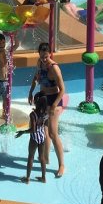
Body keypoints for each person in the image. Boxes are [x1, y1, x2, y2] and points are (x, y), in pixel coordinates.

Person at [28, 42, 66, 178]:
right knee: (44, 130)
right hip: (43, 100)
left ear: (50, 53)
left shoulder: (54, 68)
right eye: (42, 56)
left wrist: (54, 105)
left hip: (54, 99)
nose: (44, 59)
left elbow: (62, 90)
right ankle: (46, 157)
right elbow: (36, 78)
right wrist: (31, 92)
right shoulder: (39, 63)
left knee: (53, 133)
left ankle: (61, 165)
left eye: (46, 56)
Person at [16, 94, 51, 183]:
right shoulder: (46, 114)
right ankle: (43, 178)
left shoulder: (33, 115)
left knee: (31, 157)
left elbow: (33, 130)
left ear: (36, 103)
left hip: (34, 138)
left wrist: (22, 132)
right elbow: (44, 124)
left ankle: (27, 178)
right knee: (42, 158)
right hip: (42, 137)